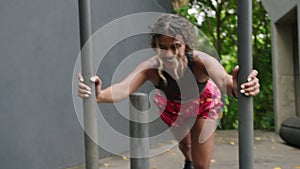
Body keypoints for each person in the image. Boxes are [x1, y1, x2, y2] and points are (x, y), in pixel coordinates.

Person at [77, 14, 260, 169]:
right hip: (173, 107)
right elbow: (124, 87)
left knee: (202, 164)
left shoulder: (200, 62)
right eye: (163, 48)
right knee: (186, 144)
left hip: (204, 102)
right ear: (155, 47)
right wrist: (100, 95)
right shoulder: (151, 68)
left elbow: (225, 81)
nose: (169, 54)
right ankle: (187, 159)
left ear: (185, 45)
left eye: (175, 47)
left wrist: (240, 86)